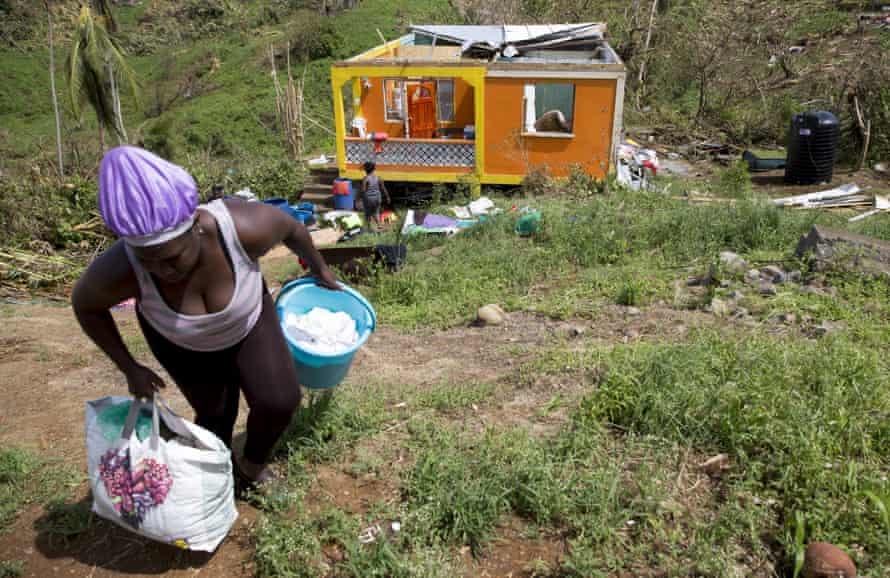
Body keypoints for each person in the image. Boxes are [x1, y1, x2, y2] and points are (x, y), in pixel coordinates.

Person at [72, 146, 339, 490]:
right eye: (147, 259)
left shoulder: (244, 227)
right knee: (216, 416)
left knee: (279, 401)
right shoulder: (120, 268)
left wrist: (320, 269)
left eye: (171, 257)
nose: (161, 270)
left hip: (249, 322)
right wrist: (129, 367)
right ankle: (218, 472)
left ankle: (252, 466)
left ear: (196, 225)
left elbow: (293, 229)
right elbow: (85, 307)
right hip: (181, 343)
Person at [361, 161, 391, 230]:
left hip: (368, 199)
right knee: (376, 212)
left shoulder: (365, 179)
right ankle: (379, 225)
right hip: (377, 198)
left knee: (367, 213)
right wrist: (387, 197)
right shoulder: (378, 178)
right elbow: (383, 188)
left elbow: (363, 190)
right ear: (374, 169)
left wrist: (359, 197)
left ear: (365, 170)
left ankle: (368, 228)